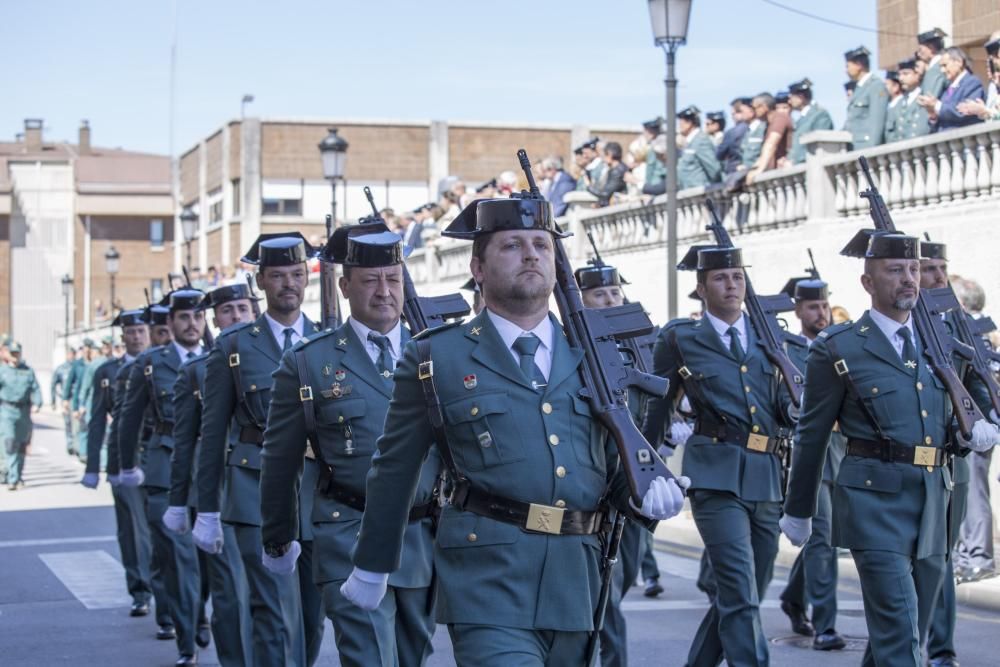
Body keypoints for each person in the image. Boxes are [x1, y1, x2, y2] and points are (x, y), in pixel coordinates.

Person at [340, 194, 686, 666]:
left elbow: (612, 461)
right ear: (477, 268)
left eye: (542, 245)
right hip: (487, 578)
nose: (530, 255)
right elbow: (395, 466)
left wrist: (648, 490)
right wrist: (373, 561)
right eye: (512, 245)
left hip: (576, 575)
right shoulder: (435, 357)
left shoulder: (593, 356)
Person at [781, 230, 999, 667]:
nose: (909, 279)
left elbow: (977, 396)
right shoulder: (839, 346)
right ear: (868, 282)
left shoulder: (941, 341)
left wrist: (980, 426)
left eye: (914, 269)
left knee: (899, 634)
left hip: (934, 501)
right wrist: (799, 508)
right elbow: (812, 432)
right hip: (873, 502)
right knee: (901, 636)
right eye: (895, 270)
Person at [261, 225, 440, 667]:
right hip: (348, 532)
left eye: (393, 279)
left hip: (419, 536)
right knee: (369, 657)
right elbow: (280, 459)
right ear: (344, 286)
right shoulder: (309, 361)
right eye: (370, 280)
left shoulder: (438, 353)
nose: (384, 292)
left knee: (411, 655)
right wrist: (278, 536)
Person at [643, 243, 796, 666]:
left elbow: (785, 406)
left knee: (743, 595)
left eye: (737, 277)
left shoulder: (772, 338)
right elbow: (658, 406)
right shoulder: (681, 339)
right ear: (701, 288)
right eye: (720, 278)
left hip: (767, 475)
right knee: (739, 592)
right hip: (714, 475)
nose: (731, 285)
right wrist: (644, 469)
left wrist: (794, 401)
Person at [194, 233, 325, 667]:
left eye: (296, 274)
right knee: (272, 611)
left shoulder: (330, 341)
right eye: (278, 276)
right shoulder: (233, 347)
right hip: (254, 489)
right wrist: (207, 509)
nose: (289, 283)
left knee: (311, 616)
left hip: (320, 495)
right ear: (261, 283)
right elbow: (212, 434)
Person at [164, 284, 258, 667]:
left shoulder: (293, 356)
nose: (235, 317)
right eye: (227, 311)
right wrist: (184, 503)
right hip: (225, 492)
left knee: (296, 603)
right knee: (233, 593)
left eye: (242, 309)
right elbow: (185, 443)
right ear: (214, 321)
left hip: (285, 488)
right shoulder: (197, 372)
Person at [117, 289, 208, 666]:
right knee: (179, 559)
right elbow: (129, 419)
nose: (191, 324)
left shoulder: (221, 358)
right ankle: (186, 641)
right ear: (169, 324)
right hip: (165, 469)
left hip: (212, 469)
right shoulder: (151, 364)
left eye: (198, 317)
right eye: (183, 318)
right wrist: (127, 467)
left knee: (206, 563)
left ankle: (198, 612)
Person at [776, 275, 848, 650]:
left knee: (828, 536)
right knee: (823, 539)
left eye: (824, 305)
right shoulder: (786, 350)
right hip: (808, 454)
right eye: (812, 307)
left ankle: (793, 595)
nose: (821, 313)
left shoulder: (840, 344)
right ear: (797, 310)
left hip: (843, 451)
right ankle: (826, 626)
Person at [80, 308, 156, 618]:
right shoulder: (107, 373)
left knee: (164, 529)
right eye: (131, 332)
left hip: (161, 458)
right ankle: (140, 590)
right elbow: (98, 419)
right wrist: (91, 466)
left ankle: (167, 590)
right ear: (122, 336)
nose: (136, 337)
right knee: (132, 531)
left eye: (141, 331)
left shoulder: (162, 364)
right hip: (124, 459)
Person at [955, 276, 998, 586]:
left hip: (979, 421)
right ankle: (967, 555)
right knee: (967, 490)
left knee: (974, 491)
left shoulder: (973, 330)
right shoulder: (981, 331)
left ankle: (979, 557)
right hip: (975, 420)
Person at [0, 342, 42, 490]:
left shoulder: (28, 371)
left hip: (23, 412)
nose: (15, 356)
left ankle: (18, 475)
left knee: (22, 446)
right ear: (7, 354)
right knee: (10, 444)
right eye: (12, 353)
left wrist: (37, 403)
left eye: (17, 353)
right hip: (7, 411)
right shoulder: (2, 371)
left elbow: (35, 389)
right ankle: (12, 478)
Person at [918, 46, 985, 132]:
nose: (942, 70)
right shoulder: (948, 89)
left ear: (959, 62)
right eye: (940, 67)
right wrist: (933, 115)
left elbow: (963, 112)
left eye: (945, 65)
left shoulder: (972, 82)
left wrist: (937, 105)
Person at [843, 46, 888, 150]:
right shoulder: (859, 89)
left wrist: (872, 151)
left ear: (859, 65)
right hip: (854, 147)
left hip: (866, 147)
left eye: (848, 66)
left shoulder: (876, 86)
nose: (846, 70)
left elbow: (877, 122)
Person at [746, 92, 793, 179]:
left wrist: (759, 170)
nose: (753, 112)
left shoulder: (780, 118)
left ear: (763, 107)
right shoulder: (767, 125)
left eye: (754, 108)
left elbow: (771, 144)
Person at [788, 78, 834, 164]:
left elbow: (820, 144)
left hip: (812, 166)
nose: (789, 101)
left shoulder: (820, 115)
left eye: (791, 98)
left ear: (800, 97)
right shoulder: (801, 119)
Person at [677, 105, 722, 189]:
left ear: (689, 123)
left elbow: (714, 170)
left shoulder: (701, 141)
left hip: (701, 195)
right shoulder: (691, 142)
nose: (680, 126)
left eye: (681, 122)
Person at [898, 58, 932, 139]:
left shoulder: (925, 96)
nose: (901, 78)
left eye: (905, 74)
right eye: (899, 74)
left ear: (917, 74)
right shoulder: (900, 102)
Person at [586, 142, 628, 206]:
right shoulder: (614, 170)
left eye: (604, 155)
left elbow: (605, 194)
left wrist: (589, 186)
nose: (603, 159)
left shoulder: (617, 171)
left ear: (610, 155)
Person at [51, 347, 76, 452]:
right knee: (68, 422)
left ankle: (76, 444)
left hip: (76, 399)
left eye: (72, 354)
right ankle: (70, 443)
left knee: (77, 424)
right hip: (66, 399)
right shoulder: (61, 369)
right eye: (69, 354)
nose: (71, 356)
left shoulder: (77, 367)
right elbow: (53, 385)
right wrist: (54, 401)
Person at [718, 97, 751, 174]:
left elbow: (719, 154)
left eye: (733, 114)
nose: (732, 117)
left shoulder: (732, 133)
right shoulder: (754, 128)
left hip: (735, 172)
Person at [917, 28, 949, 98]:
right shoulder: (941, 65)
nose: (919, 54)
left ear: (931, 48)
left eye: (920, 49)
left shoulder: (935, 69)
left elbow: (929, 99)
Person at [739, 97, 767, 171]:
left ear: (751, 111)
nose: (740, 115)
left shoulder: (763, 128)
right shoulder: (748, 132)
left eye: (742, 111)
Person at [884, 70, 905, 144]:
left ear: (896, 87)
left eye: (886, 84)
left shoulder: (902, 105)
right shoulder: (889, 108)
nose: (883, 89)